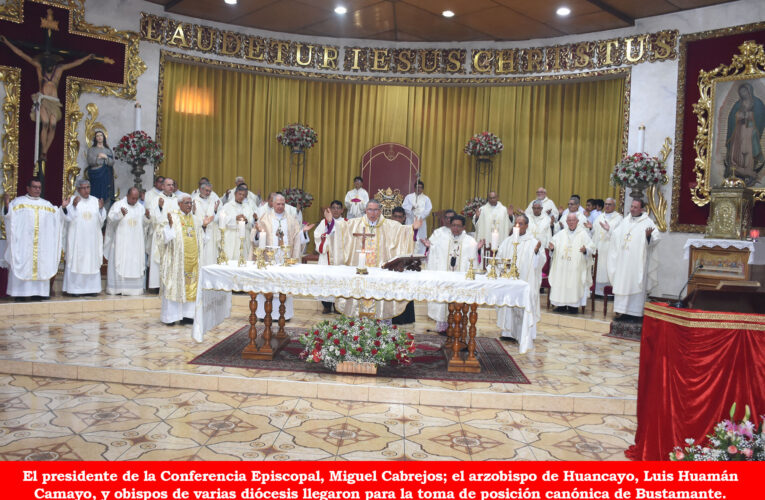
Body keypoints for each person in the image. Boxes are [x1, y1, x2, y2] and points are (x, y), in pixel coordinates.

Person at [323, 199, 422, 318]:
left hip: (379, 271)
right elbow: (340, 228)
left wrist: (413, 229)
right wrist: (331, 222)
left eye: (375, 210)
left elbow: (403, 231)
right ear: (366, 210)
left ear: (380, 211)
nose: (373, 213)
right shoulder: (355, 224)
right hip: (360, 270)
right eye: (370, 209)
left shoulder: (390, 225)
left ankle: (380, 323)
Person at [0, 35, 95, 160]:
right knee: (45, 123)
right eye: (47, 61)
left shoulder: (59, 71)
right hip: (43, 101)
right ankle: (43, 152)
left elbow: (74, 64)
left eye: (51, 62)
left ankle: (44, 151)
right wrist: (7, 42)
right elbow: (23, 55)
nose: (49, 63)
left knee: (53, 125)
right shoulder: (40, 70)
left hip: (54, 103)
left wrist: (87, 58)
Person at [253, 194, 314, 321]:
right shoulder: (265, 218)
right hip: (269, 259)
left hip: (285, 260)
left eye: (282, 204)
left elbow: (297, 239)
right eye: (278, 204)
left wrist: (303, 232)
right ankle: (264, 314)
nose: (280, 206)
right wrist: (258, 232)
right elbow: (256, 238)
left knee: (283, 286)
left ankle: (284, 314)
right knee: (267, 285)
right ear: (273, 204)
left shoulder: (291, 220)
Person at [2, 177, 64, 299]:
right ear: (28, 188)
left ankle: (38, 293)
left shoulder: (46, 205)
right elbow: (8, 217)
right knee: (23, 264)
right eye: (34, 187)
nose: (37, 190)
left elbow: (57, 218)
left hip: (41, 245)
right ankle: (20, 294)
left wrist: (63, 209)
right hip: (24, 245)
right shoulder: (18, 203)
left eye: (39, 187)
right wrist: (6, 207)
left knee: (41, 266)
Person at [422, 215, 480, 334]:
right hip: (445, 279)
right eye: (453, 225)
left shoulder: (470, 241)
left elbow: (473, 262)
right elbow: (434, 253)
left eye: (459, 226)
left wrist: (477, 250)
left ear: (464, 227)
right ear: (450, 226)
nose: (456, 228)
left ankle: (458, 326)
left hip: (461, 280)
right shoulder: (442, 239)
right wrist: (430, 248)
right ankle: (443, 326)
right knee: (443, 303)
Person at [160, 195, 211, 325]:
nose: (190, 205)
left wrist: (204, 227)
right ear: (179, 204)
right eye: (187, 203)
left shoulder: (195, 219)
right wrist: (170, 227)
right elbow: (163, 238)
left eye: (191, 203)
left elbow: (202, 239)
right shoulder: (172, 217)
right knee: (175, 286)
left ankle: (188, 316)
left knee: (191, 286)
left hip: (192, 261)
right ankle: (171, 317)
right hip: (177, 260)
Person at [496, 214, 545, 348]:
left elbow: (540, 262)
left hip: (525, 281)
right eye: (516, 224)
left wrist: (536, 253)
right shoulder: (507, 241)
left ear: (527, 226)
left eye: (521, 224)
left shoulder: (533, 242)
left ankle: (525, 333)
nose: (517, 226)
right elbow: (500, 257)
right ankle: (507, 332)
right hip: (509, 280)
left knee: (524, 304)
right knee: (508, 303)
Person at [607, 199, 661, 320]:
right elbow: (616, 235)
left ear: (642, 209)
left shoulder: (648, 222)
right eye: (631, 206)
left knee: (636, 284)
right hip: (623, 261)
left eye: (635, 207)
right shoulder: (626, 220)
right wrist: (609, 230)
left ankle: (635, 314)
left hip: (637, 263)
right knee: (623, 283)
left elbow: (656, 238)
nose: (632, 209)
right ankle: (622, 312)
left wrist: (648, 237)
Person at [62, 179, 105, 296]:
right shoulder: (72, 201)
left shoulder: (96, 201)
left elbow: (101, 221)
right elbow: (67, 218)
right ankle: (75, 289)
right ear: (77, 189)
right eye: (83, 188)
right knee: (77, 262)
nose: (86, 190)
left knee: (92, 262)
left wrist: (101, 209)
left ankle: (92, 289)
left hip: (92, 241)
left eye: (88, 187)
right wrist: (72, 207)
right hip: (77, 239)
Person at [104, 187, 148, 296]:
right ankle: (118, 288)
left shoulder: (140, 208)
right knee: (120, 261)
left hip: (136, 243)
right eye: (132, 198)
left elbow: (144, 225)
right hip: (121, 242)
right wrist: (119, 214)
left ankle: (134, 289)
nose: (134, 201)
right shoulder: (118, 205)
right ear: (127, 196)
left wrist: (147, 217)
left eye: (136, 198)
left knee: (135, 263)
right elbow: (110, 221)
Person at [548, 213, 595, 314]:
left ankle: (573, 306)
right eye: (569, 220)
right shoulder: (561, 234)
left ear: (577, 221)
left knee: (575, 280)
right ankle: (561, 305)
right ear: (566, 222)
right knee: (561, 280)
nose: (571, 222)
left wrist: (585, 249)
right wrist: (552, 248)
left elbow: (592, 247)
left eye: (573, 220)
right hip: (562, 266)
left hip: (576, 267)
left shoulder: (583, 233)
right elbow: (553, 244)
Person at [725, 82, 765, 184]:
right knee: (737, 149)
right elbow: (731, 119)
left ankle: (748, 170)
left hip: (750, 131)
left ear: (749, 91)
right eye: (741, 92)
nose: (743, 93)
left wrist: (749, 117)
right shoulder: (737, 105)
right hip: (738, 131)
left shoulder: (756, 103)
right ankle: (736, 169)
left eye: (744, 91)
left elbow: (760, 118)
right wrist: (738, 117)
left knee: (748, 149)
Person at [146, 178, 179, 289]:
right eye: (168, 185)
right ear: (163, 186)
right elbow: (152, 217)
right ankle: (157, 285)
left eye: (172, 185)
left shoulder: (177, 200)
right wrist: (159, 207)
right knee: (159, 258)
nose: (171, 187)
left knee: (172, 258)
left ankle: (170, 285)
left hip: (173, 232)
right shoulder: (156, 199)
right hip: (161, 231)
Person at [314, 200, 345, 314]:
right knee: (325, 280)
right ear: (330, 210)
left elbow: (347, 239)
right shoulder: (324, 222)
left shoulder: (346, 222)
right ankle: (326, 305)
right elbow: (318, 236)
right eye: (333, 208)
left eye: (338, 208)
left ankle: (338, 306)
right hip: (326, 257)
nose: (336, 210)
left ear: (342, 210)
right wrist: (326, 235)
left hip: (339, 258)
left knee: (339, 281)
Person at [591, 197, 623, 296]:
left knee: (609, 269)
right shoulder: (599, 217)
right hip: (599, 248)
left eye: (610, 204)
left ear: (614, 206)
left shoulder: (619, 218)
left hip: (610, 249)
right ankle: (597, 292)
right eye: (606, 204)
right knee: (598, 269)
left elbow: (620, 235)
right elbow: (594, 233)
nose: (607, 206)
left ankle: (608, 293)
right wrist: (591, 228)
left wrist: (609, 230)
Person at [390, 206, 416, 325]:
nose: (397, 219)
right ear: (391, 217)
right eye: (395, 216)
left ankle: (405, 318)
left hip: (403, 266)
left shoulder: (408, 230)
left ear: (404, 218)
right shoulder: (387, 229)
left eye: (399, 217)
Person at [219, 185, 258, 262]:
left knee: (244, 258)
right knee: (231, 259)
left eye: (243, 195)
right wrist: (235, 218)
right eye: (240, 194)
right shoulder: (227, 206)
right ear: (235, 194)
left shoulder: (247, 207)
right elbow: (222, 219)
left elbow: (250, 223)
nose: (241, 196)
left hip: (244, 237)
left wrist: (248, 221)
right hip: (231, 237)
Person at [191, 181, 221, 266]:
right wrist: (193, 212)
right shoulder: (194, 200)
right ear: (201, 189)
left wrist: (215, 211)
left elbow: (220, 215)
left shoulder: (214, 201)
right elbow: (190, 216)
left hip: (211, 232)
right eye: (206, 191)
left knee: (210, 255)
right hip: (198, 230)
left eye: (210, 191)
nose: (208, 193)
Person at [85, 130, 115, 207]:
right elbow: (90, 161)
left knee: (105, 195)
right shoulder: (91, 150)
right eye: (97, 136)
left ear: (103, 137)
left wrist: (104, 156)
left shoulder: (108, 150)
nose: (99, 137)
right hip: (95, 175)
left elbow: (112, 162)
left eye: (101, 135)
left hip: (105, 176)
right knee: (95, 195)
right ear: (95, 138)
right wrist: (102, 160)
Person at [402, 180, 432, 255]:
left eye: (420, 188)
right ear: (414, 188)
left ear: (423, 189)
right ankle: (408, 254)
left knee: (421, 238)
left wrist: (420, 217)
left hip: (421, 222)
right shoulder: (408, 197)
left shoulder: (426, 199)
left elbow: (428, 209)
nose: (419, 189)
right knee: (410, 237)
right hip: (410, 220)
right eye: (417, 187)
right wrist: (411, 209)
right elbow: (404, 206)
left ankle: (420, 255)